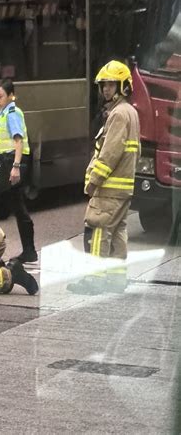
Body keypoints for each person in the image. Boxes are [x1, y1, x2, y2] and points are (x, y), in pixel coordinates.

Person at [68, 60, 140, 295]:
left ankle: (95, 279)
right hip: (123, 188)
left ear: (123, 86)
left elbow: (109, 154)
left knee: (98, 230)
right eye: (104, 85)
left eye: (111, 85)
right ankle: (116, 278)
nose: (106, 89)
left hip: (109, 188)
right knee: (118, 231)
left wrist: (93, 182)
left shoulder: (118, 115)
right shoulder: (130, 112)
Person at [0, 78, 38, 263]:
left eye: (0, 96)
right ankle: (29, 251)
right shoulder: (5, 113)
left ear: (11, 96)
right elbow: (7, 141)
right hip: (8, 160)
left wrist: (16, 168)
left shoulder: (11, 113)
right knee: (17, 205)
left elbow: (18, 142)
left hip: (12, 161)